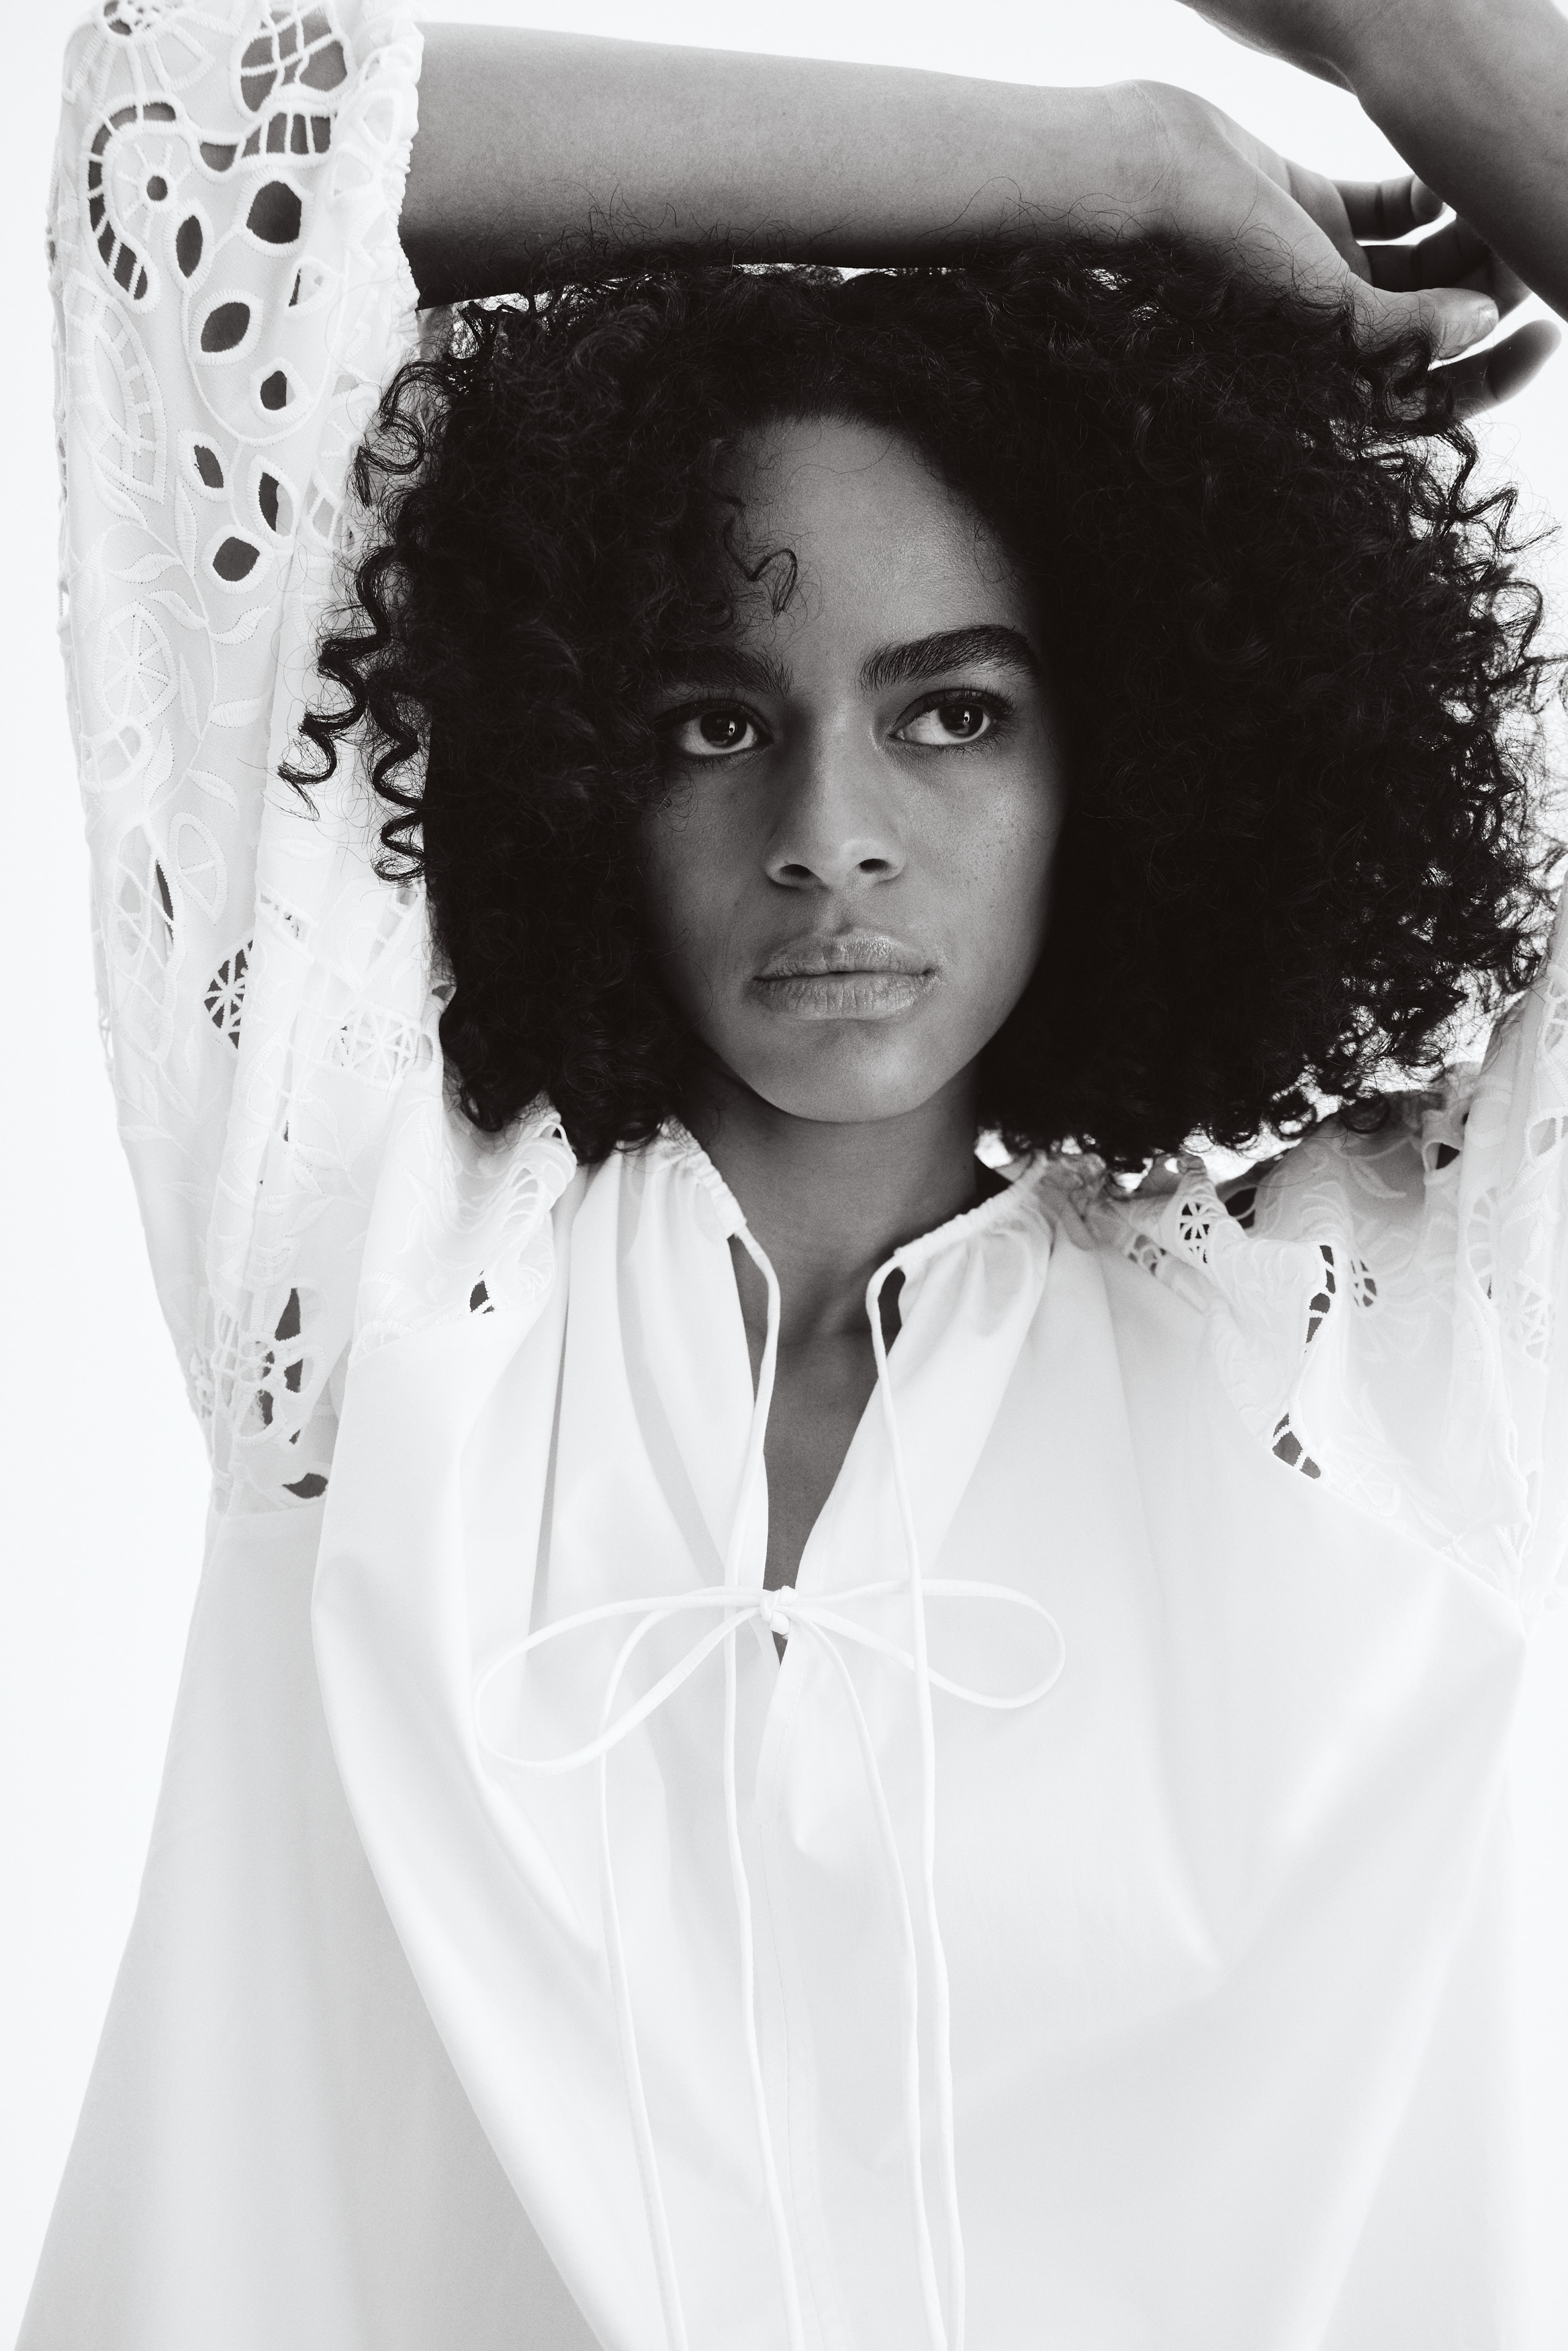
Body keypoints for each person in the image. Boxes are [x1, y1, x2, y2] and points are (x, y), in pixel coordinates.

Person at [23, 1, 1568, 2346]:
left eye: (954, 710)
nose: (828, 830)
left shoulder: (1379, 1371)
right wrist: (1114, 171)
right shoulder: (378, 1277)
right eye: (713, 717)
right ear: (574, 757)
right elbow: (184, 126)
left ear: (1123, 758)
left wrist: (1397, 34)